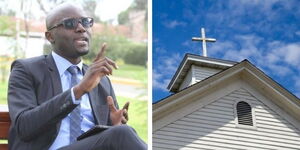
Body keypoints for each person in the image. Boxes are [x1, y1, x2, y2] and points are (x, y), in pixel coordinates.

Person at [7, 3, 147, 150]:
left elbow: (106, 137)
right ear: (50, 36)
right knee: (121, 134)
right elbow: (24, 127)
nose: (81, 28)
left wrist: (113, 124)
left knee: (121, 131)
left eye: (86, 22)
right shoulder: (26, 70)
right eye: (69, 23)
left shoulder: (100, 79)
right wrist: (78, 90)